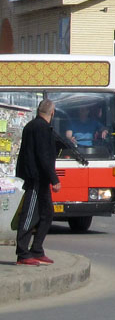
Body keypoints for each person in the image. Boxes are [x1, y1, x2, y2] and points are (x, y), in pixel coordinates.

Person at [15, 99, 62, 266]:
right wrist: (54, 179)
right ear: (52, 113)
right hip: (36, 178)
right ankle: (22, 253)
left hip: (40, 179)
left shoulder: (36, 126)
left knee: (47, 213)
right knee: (30, 215)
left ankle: (37, 249)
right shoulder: (40, 128)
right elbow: (43, 156)